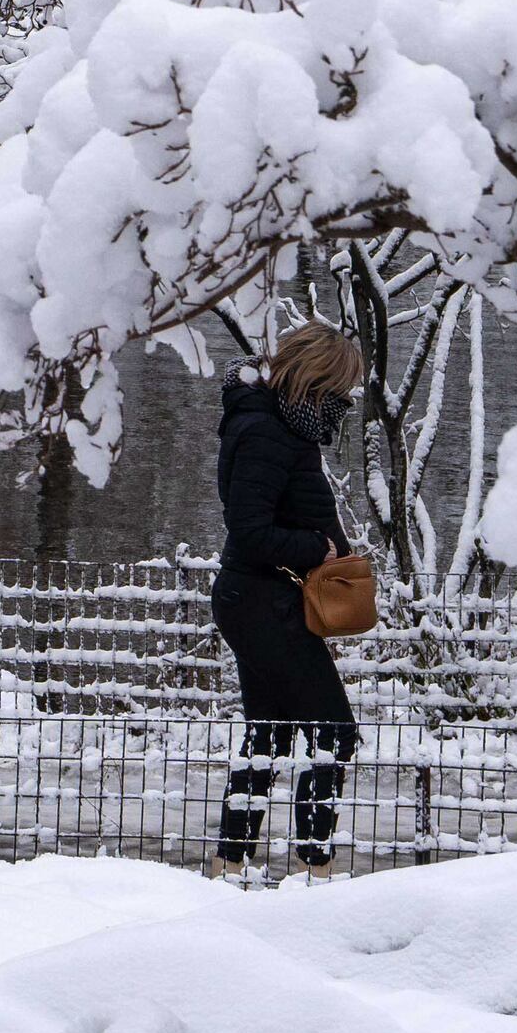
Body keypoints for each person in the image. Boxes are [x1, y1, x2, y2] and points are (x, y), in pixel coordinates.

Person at [213, 326, 371, 865]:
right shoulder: (266, 431)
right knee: (335, 732)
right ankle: (314, 868)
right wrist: (318, 548)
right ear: (316, 379)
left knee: (271, 737)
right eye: (339, 387)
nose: (344, 401)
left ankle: (230, 863)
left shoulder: (277, 423)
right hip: (262, 600)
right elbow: (248, 529)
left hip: (261, 598)